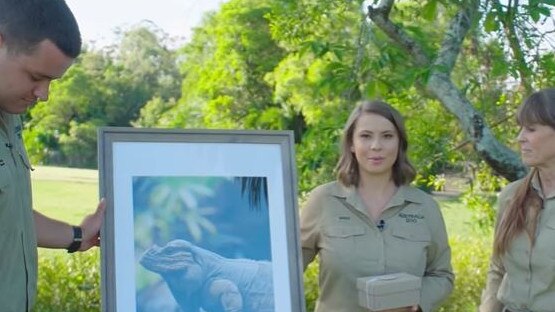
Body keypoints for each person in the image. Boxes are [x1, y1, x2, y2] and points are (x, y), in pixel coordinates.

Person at [0, 0, 105, 310]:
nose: (43, 95)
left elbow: (11, 217)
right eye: (35, 77)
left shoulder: (9, 114)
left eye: (50, 82)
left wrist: (79, 235)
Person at [300, 100, 454, 312]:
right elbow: (286, 269)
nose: (376, 146)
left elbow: (441, 275)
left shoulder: (425, 207)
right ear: (352, 144)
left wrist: (416, 301)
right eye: (365, 136)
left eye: (387, 136)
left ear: (400, 143)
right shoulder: (323, 200)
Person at [479, 88, 555, 312]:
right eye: (521, 128)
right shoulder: (511, 197)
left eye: (531, 129)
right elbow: (498, 268)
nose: (520, 137)